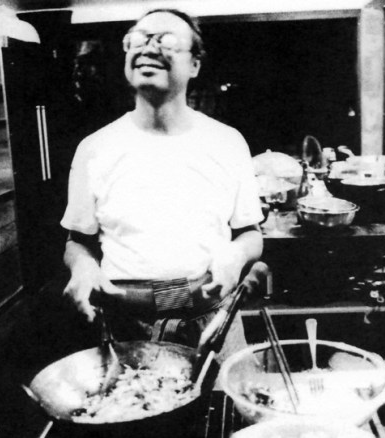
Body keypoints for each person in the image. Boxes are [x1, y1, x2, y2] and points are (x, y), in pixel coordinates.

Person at [60, 8, 264, 361]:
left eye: (166, 40)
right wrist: (83, 266)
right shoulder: (95, 148)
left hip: (213, 321)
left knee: (227, 397)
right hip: (125, 325)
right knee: (134, 396)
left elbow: (250, 233)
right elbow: (77, 241)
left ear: (195, 64)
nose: (148, 48)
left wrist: (236, 255)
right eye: (138, 39)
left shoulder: (227, 142)